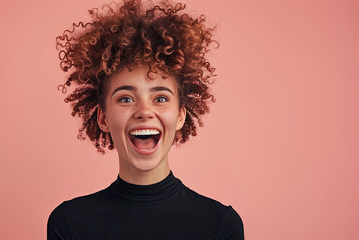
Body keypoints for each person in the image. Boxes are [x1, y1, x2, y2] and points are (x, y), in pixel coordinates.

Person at [47, 0, 244, 239]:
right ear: (103, 118)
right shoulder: (68, 223)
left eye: (160, 98)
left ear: (181, 115)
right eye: (126, 99)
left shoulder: (220, 225)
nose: (144, 111)